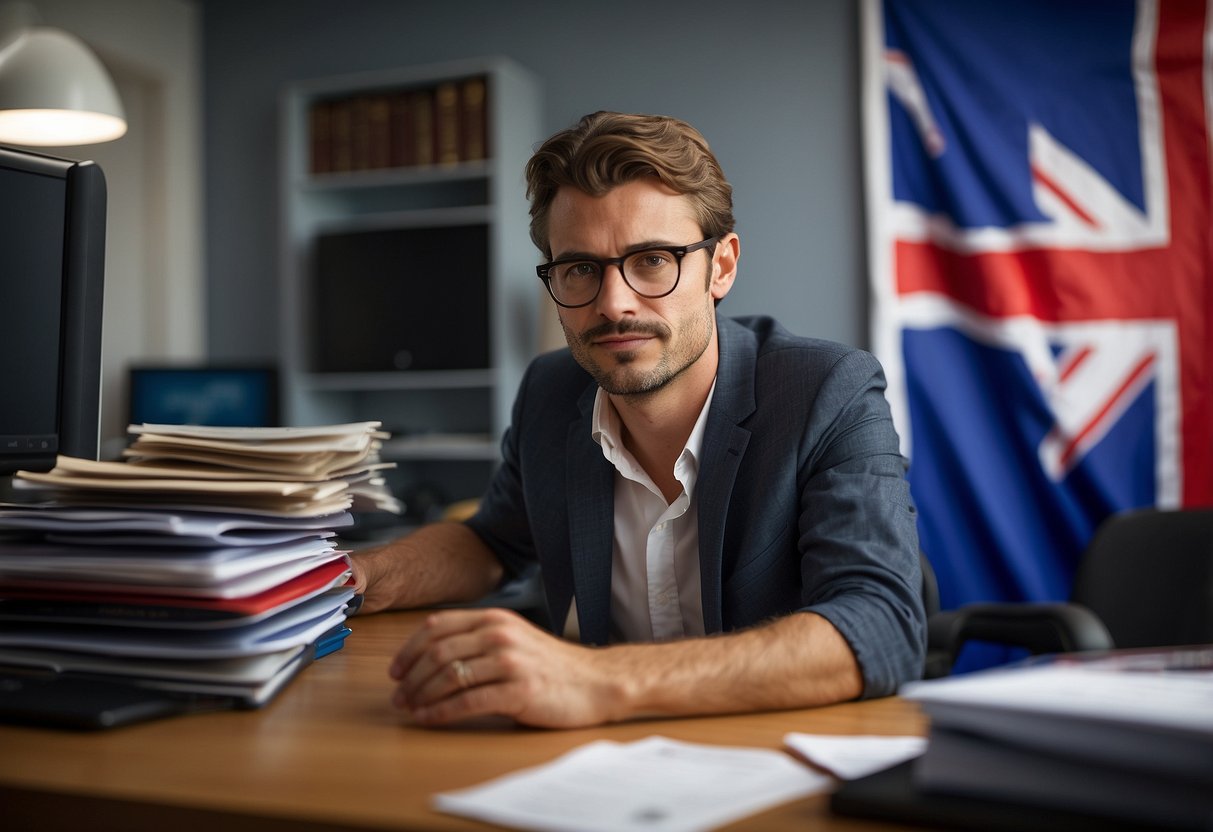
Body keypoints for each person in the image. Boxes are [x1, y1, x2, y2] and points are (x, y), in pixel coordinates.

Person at [350, 111, 925, 729]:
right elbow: (491, 543)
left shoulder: (825, 390)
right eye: (580, 268)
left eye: (652, 260)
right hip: (605, 766)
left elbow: (882, 623)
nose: (613, 303)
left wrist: (595, 680)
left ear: (721, 266)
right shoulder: (550, 391)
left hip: (774, 752)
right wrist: (353, 578)